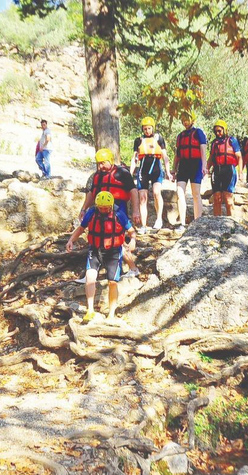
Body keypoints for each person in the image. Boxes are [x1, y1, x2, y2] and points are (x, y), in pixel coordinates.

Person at [66, 192, 137, 322]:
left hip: (114, 252)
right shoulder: (92, 212)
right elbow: (81, 228)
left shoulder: (119, 214)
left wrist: (132, 241)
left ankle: (111, 314)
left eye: (106, 207)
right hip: (95, 250)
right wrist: (71, 240)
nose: (104, 210)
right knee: (90, 279)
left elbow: (131, 231)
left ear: (111, 205)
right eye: (101, 207)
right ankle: (90, 310)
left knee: (112, 282)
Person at [79, 148, 141, 279]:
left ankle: (132, 268)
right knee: (96, 238)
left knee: (118, 241)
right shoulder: (96, 176)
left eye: (103, 163)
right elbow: (91, 194)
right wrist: (84, 209)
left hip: (118, 210)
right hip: (100, 211)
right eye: (98, 163)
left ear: (110, 161)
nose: (100, 166)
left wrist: (136, 210)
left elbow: (133, 191)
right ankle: (91, 273)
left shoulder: (122, 173)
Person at [130, 117, 172, 233]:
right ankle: (144, 225)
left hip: (156, 170)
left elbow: (165, 157)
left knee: (156, 192)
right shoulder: (138, 140)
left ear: (153, 128)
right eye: (145, 129)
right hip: (143, 170)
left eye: (149, 128)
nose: (147, 131)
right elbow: (134, 158)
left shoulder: (159, 138)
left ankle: (159, 219)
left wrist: (168, 172)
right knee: (142, 198)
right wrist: (130, 173)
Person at [172, 110, 208, 233]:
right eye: (183, 120)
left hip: (196, 164)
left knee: (196, 194)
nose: (185, 122)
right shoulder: (180, 136)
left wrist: (204, 166)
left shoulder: (198, 133)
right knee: (179, 192)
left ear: (192, 120)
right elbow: (177, 154)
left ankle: (198, 222)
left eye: (187, 119)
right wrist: (173, 168)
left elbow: (203, 150)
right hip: (183, 165)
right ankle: (182, 223)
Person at [207, 120, 242, 217]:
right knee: (216, 198)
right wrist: (206, 169)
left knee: (228, 198)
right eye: (216, 131)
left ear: (224, 130)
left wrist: (240, 172)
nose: (217, 133)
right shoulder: (214, 143)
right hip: (217, 171)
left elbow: (239, 157)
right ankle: (216, 222)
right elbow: (211, 158)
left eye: (219, 131)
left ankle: (231, 222)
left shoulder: (232, 141)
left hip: (229, 170)